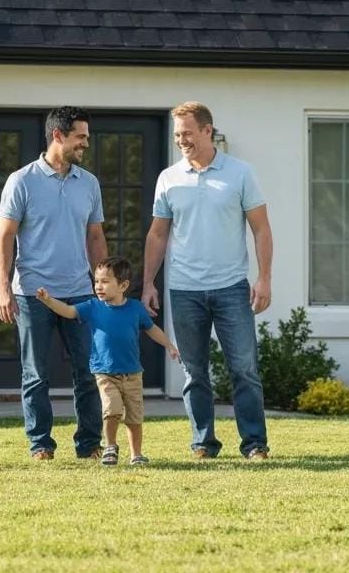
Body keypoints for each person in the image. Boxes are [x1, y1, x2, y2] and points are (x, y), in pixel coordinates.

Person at [142, 101, 274, 460]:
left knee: (244, 369)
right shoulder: (169, 178)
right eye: (177, 134)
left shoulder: (240, 173)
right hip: (184, 289)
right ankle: (203, 443)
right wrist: (148, 283)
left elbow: (261, 229)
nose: (181, 140)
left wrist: (264, 278)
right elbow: (157, 234)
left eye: (187, 133)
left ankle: (254, 444)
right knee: (194, 371)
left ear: (207, 131)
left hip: (231, 288)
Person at [0, 106, 107, 460]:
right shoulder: (22, 181)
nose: (85, 143)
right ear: (58, 135)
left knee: (88, 371)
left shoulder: (89, 183)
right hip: (33, 293)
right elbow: (4, 238)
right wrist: (2, 288)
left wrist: (104, 286)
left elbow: (95, 237)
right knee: (36, 373)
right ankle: (40, 444)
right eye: (80, 137)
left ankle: (89, 444)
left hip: (81, 292)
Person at [37, 255, 180, 466]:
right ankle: (110, 446)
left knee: (134, 417)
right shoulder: (93, 307)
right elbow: (68, 312)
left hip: (133, 373)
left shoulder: (136, 308)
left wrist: (169, 345)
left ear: (123, 286)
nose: (98, 286)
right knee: (111, 410)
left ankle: (136, 454)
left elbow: (152, 329)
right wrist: (49, 301)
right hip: (105, 372)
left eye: (105, 281)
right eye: (96, 281)